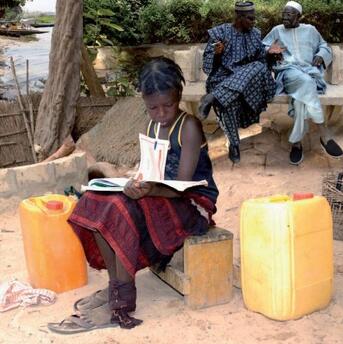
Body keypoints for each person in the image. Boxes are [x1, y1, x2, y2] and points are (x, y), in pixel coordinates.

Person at [47, 57, 219, 334]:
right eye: (153, 107)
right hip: (160, 193)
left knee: (120, 210)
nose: (162, 113)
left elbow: (184, 186)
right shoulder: (152, 126)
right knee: (95, 201)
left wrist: (149, 189)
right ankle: (117, 287)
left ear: (179, 95)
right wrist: (136, 182)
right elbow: (152, 170)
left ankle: (122, 303)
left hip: (191, 202)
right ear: (144, 102)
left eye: (169, 105)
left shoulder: (188, 127)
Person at [263, 1, 343, 165]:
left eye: (289, 14)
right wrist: (269, 51)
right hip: (287, 71)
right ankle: (324, 134)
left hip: (309, 71)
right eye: (284, 14)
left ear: (299, 16)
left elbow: (324, 46)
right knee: (306, 83)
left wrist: (321, 55)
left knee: (301, 94)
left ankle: (296, 142)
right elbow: (262, 47)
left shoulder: (310, 30)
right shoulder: (277, 30)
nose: (285, 17)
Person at [199, 1, 276, 164]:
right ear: (239, 17)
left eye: (254, 19)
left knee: (257, 66)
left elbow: (261, 61)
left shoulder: (255, 33)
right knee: (228, 103)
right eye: (250, 19)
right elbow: (207, 66)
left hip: (247, 80)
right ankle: (234, 144)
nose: (253, 22)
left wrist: (270, 55)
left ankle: (212, 97)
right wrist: (217, 54)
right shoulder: (221, 32)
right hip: (223, 78)